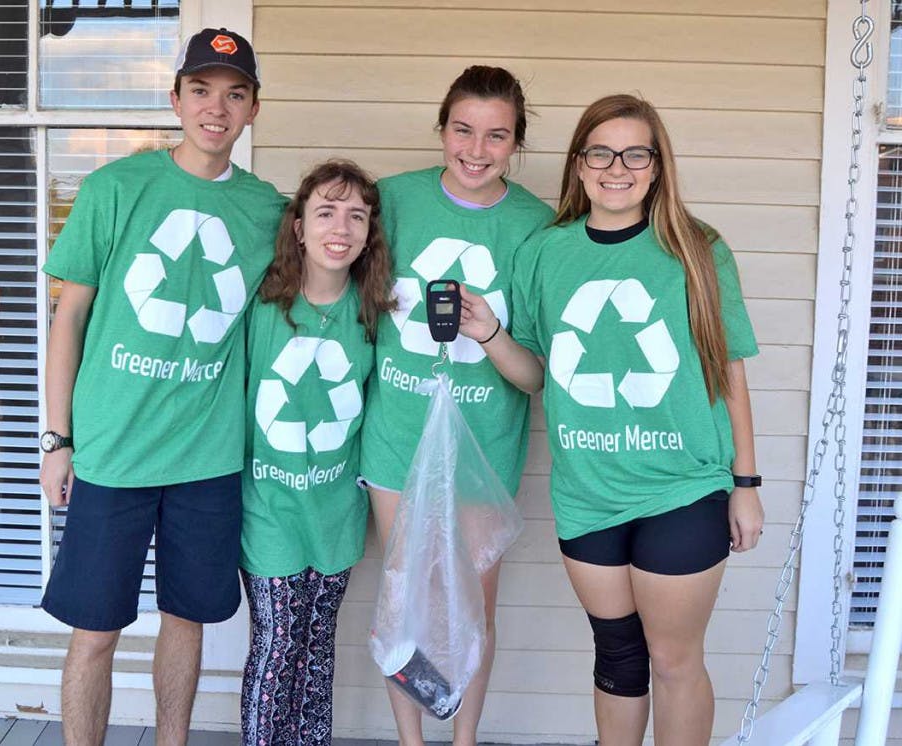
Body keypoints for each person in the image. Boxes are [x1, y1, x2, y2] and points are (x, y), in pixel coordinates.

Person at [459, 93, 765, 746]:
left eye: (635, 153)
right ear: (578, 164)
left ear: (658, 167)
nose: (616, 166)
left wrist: (746, 484)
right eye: (600, 151)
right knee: (618, 656)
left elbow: (729, 370)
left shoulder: (698, 251)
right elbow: (539, 374)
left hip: (681, 487)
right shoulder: (545, 254)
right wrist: (488, 334)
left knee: (675, 659)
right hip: (586, 493)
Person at [38, 28, 286, 746]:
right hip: (113, 454)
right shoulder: (115, 188)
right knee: (95, 632)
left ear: (253, 110)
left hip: (208, 459)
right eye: (202, 91)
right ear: (175, 99)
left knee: (187, 620)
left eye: (235, 94)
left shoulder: (267, 211)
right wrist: (58, 440)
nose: (217, 108)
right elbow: (69, 317)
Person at [359, 65, 554, 745]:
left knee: (472, 607)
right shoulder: (390, 201)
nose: (477, 149)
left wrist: (489, 332)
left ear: (516, 142)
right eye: (463, 130)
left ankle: (461, 740)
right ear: (442, 129)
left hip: (482, 450)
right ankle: (413, 741)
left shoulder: (536, 226)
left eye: (497, 135)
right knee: (407, 601)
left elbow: (533, 377)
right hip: (397, 438)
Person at [239, 159, 395, 746]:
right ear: (298, 226)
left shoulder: (373, 313)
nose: (341, 227)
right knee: (277, 648)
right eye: (326, 212)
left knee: (315, 650)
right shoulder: (262, 306)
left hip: (335, 514)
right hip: (269, 509)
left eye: (356, 215)